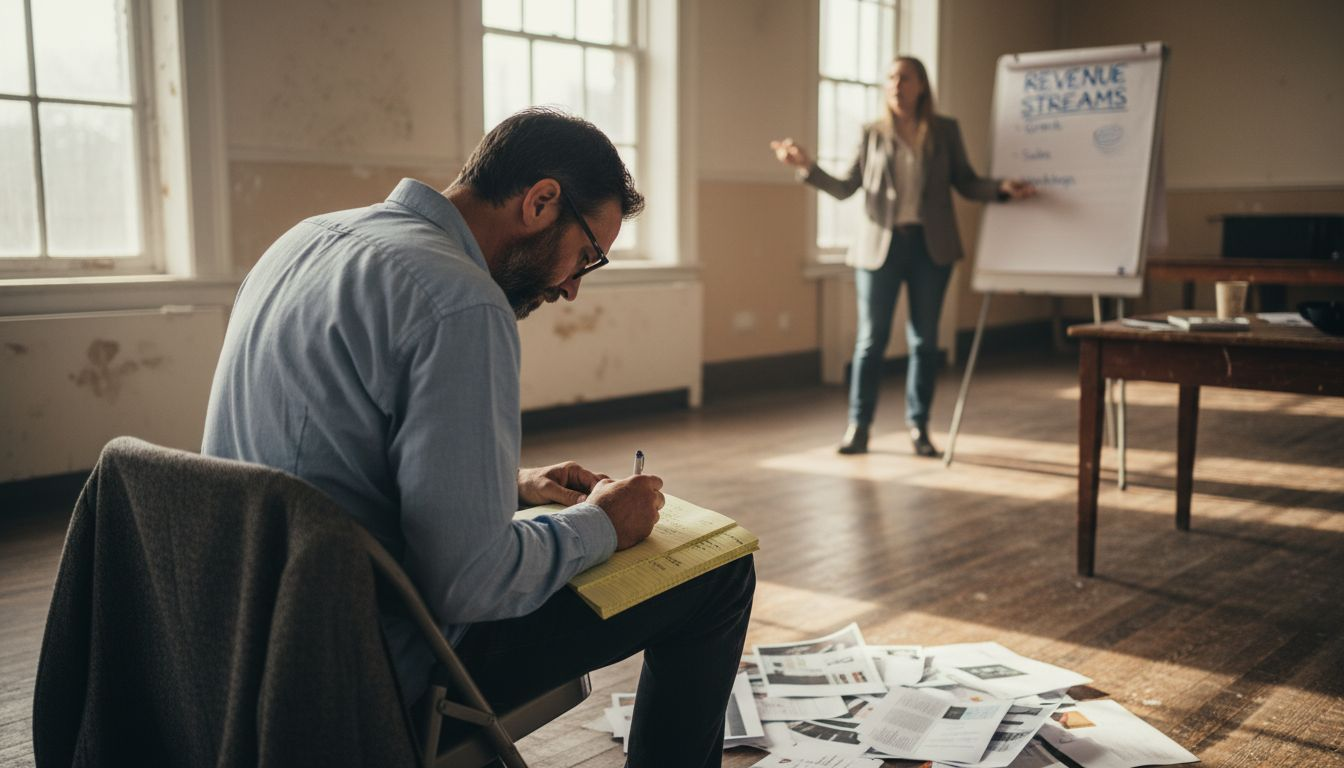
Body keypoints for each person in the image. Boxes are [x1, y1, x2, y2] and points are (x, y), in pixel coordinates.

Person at [202, 107, 754, 768]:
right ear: (541, 201)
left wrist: (510, 485)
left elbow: (327, 458)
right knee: (719, 575)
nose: (574, 288)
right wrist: (602, 524)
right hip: (363, 665)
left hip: (239, 642)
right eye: (585, 257)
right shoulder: (461, 302)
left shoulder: (306, 240)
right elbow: (467, 583)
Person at [771, 56, 1035, 457]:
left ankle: (919, 427)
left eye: (904, 77)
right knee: (870, 341)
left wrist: (1001, 189)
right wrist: (807, 167)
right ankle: (859, 426)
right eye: (891, 78)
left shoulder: (945, 131)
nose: (896, 84)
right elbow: (845, 188)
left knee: (925, 342)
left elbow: (965, 181)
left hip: (932, 248)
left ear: (921, 85)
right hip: (881, 248)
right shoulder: (872, 133)